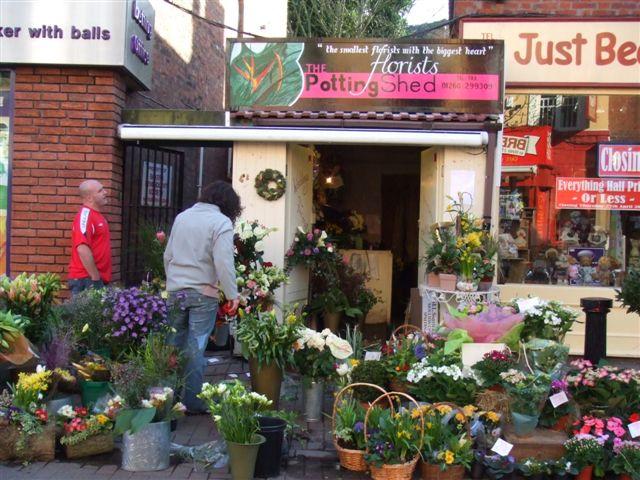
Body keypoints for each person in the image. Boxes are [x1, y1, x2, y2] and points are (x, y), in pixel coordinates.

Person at [164, 181, 241, 413]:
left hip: (176, 290)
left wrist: (173, 281)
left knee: (171, 345)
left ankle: (166, 397)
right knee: (195, 347)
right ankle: (193, 401)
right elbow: (224, 261)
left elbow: (168, 255)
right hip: (203, 292)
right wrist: (232, 294)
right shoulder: (221, 222)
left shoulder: (182, 217)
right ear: (229, 204)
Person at [68, 179, 111, 296]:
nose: (105, 192)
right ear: (89, 198)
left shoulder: (98, 216)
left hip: (93, 278)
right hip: (86, 280)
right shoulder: (85, 215)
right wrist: (96, 278)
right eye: (100, 191)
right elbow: (82, 248)